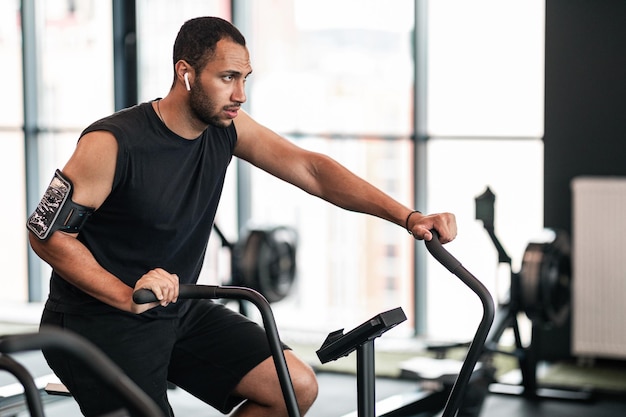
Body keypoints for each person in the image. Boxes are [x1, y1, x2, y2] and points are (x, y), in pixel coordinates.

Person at [27, 16, 457, 417]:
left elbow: (311, 170)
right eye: (227, 78)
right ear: (186, 73)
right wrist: (124, 294)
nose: (240, 94)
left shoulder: (226, 126)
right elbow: (46, 235)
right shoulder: (113, 142)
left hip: (176, 307)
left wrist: (408, 216)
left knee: (294, 387)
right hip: (96, 321)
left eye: (244, 79)